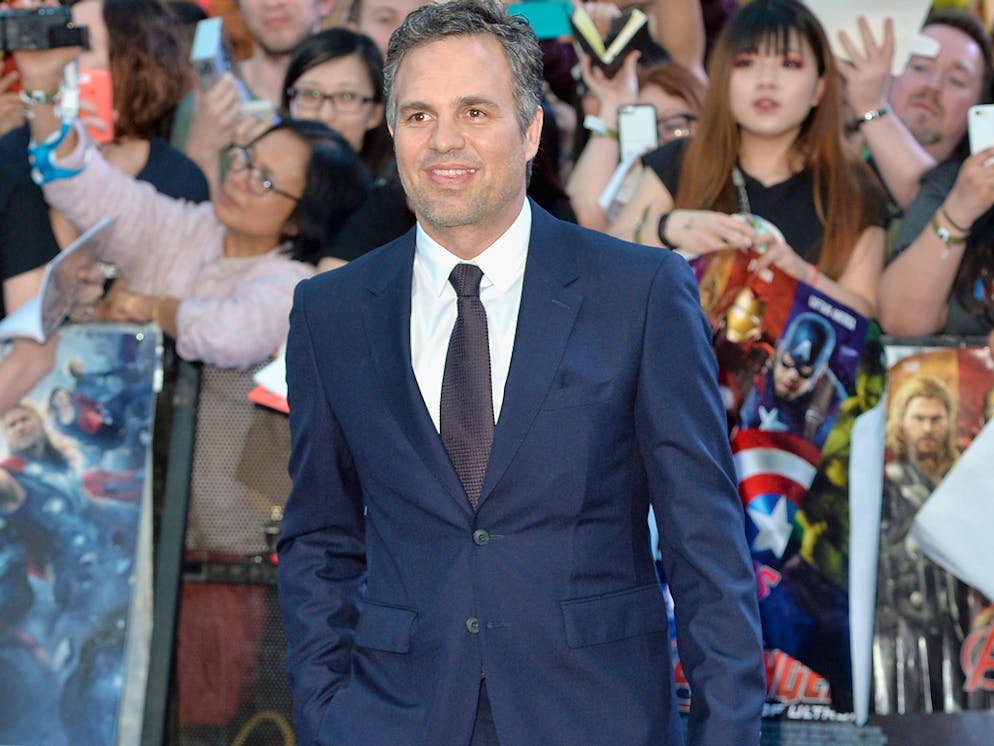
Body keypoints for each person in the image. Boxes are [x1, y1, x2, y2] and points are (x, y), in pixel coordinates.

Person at [277, 2, 765, 745]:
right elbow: (319, 537)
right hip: (391, 718)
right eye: (418, 115)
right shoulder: (330, 310)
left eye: (475, 110)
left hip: (599, 715)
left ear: (531, 128)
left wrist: (726, 734)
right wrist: (324, 713)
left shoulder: (638, 292)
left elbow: (706, 542)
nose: (445, 140)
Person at [609, 0, 888, 319]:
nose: (766, 79)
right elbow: (605, 257)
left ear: (819, 88)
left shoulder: (854, 186)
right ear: (722, 77)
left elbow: (863, 311)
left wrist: (802, 275)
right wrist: (666, 228)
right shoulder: (680, 159)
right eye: (746, 62)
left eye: (789, 64)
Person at [875, 373, 967, 714]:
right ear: (902, 422)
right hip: (897, 627)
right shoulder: (884, 483)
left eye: (936, 419)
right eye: (919, 419)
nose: (928, 428)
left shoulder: (960, 480)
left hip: (953, 625)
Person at [837, 9, 992, 210]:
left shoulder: (982, 197)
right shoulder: (837, 157)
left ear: (978, 104)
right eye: (919, 67)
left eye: (957, 80)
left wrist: (871, 108)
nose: (933, 86)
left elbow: (940, 211)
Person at [280, 27, 392, 178]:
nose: (325, 115)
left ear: (375, 114)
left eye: (347, 96)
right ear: (289, 102)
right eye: (311, 94)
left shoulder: (396, 198)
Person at [738, 311, 846, 449]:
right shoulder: (762, 364)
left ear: (820, 372)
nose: (792, 376)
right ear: (779, 351)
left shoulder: (832, 401)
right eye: (787, 363)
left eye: (805, 372)